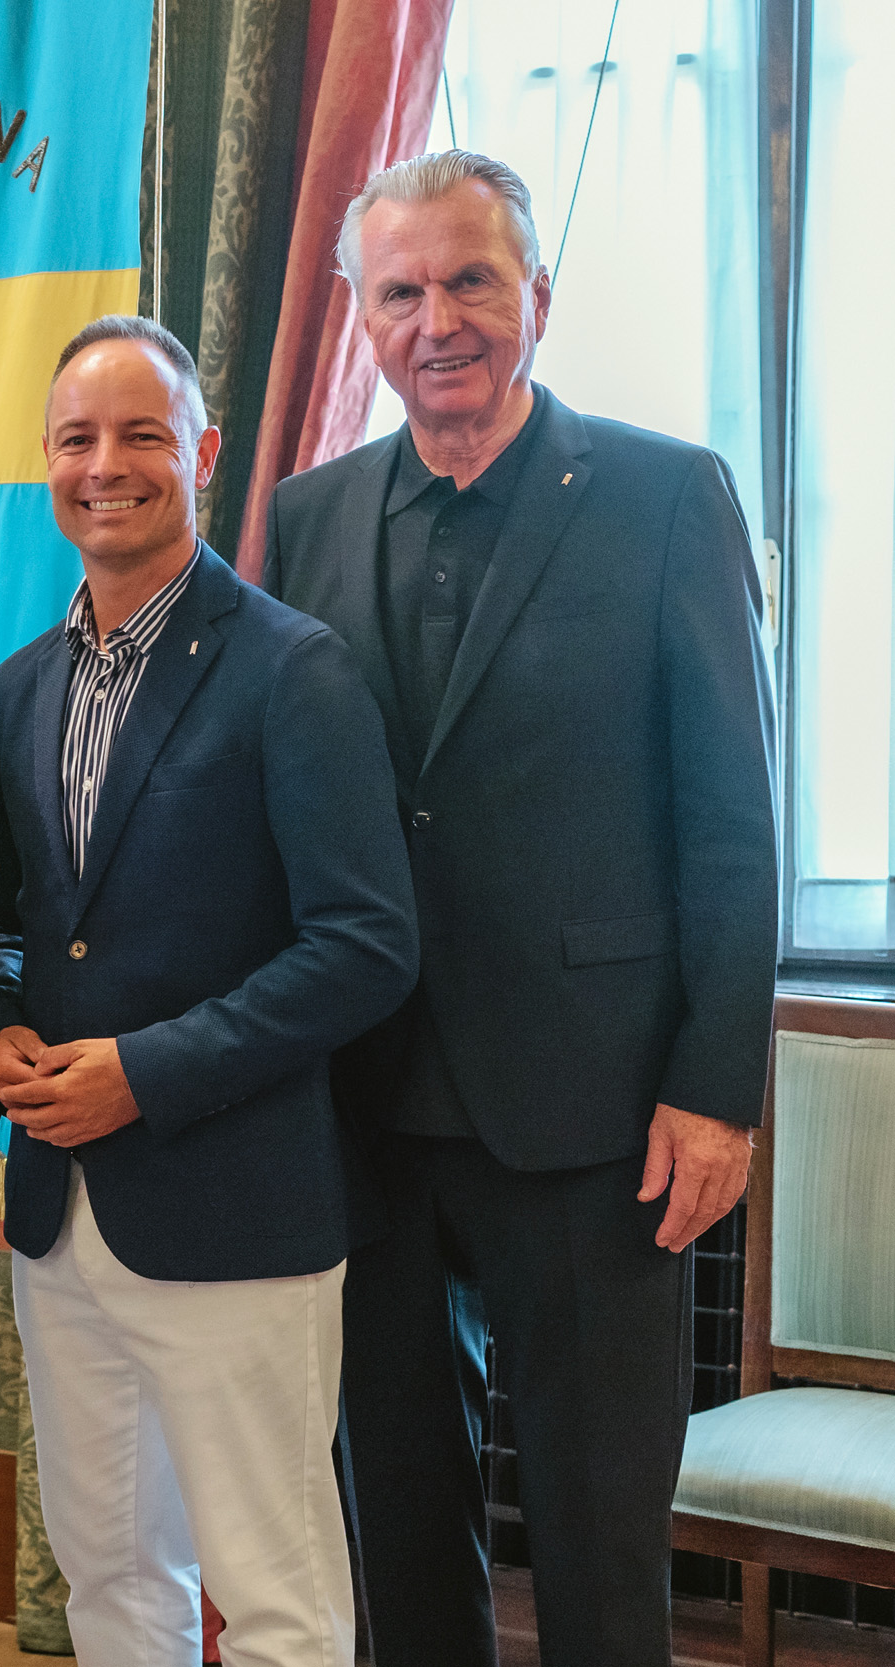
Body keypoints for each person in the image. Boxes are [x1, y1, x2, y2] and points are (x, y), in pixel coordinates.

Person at [260, 151, 778, 1667]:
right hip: (367, 1106)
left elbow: (733, 820)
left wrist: (716, 1091)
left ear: (537, 298)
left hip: (599, 1115)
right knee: (401, 1529)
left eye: (473, 280)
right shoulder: (307, 512)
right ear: (359, 318)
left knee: (601, 1539)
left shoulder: (667, 494)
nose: (441, 319)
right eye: (402, 290)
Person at [0, 315, 418, 1667]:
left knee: (274, 1604)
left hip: (237, 1211)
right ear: (47, 461)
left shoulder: (295, 669)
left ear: (205, 453)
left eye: (142, 434)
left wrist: (145, 1074)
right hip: (58, 1213)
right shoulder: (22, 683)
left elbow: (365, 943)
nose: (108, 464)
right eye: (79, 439)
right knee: (110, 1585)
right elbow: (3, 926)